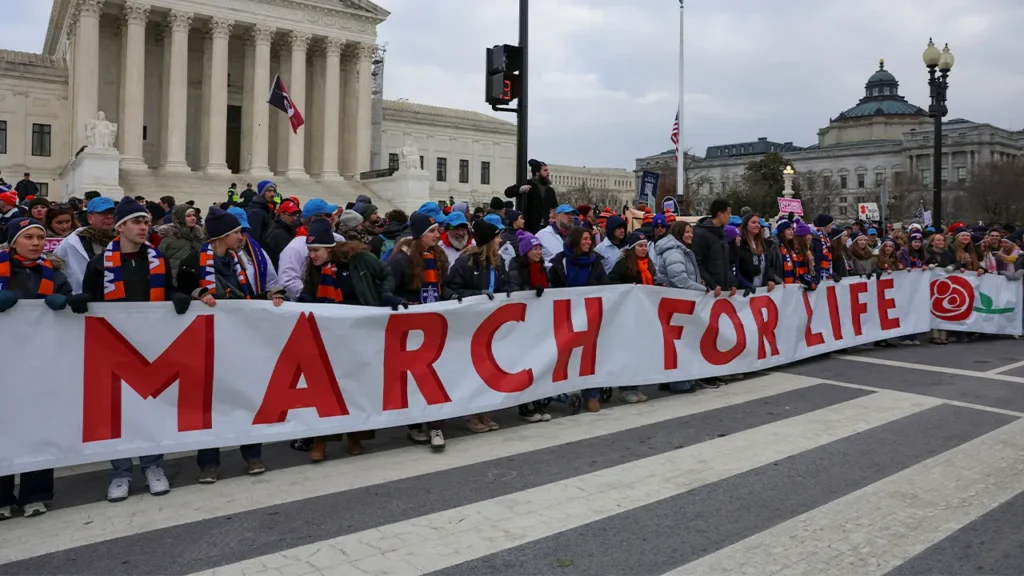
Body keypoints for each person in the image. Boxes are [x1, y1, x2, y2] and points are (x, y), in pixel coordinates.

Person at [81, 197, 191, 502]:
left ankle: (153, 466)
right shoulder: (99, 263)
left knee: (150, 408)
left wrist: (176, 296)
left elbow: (166, 289)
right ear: (120, 227)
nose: (143, 227)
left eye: (145, 222)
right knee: (117, 412)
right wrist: (83, 300)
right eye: (136, 222)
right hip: (113, 347)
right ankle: (121, 472)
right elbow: (91, 295)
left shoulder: (157, 259)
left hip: (150, 346)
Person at [175, 208, 280, 482]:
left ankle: (252, 454)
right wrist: (197, 293)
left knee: (246, 397)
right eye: (236, 232)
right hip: (207, 344)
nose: (241, 236)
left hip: (239, 341)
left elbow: (246, 297)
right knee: (210, 403)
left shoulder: (237, 261)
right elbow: (177, 292)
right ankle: (209, 462)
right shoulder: (193, 261)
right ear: (222, 236)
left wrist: (269, 296)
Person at [0, 217, 84, 519]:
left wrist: (68, 302)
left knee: (39, 425)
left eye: (40, 237)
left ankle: (35, 493)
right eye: (29, 237)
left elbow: (71, 303)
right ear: (14, 242)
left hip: (41, 362)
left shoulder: (55, 274)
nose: (36, 243)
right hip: (5, 363)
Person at [299, 218, 398, 461]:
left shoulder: (359, 259)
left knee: (356, 386)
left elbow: (386, 274)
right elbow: (309, 292)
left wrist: (385, 295)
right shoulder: (315, 267)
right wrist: (295, 301)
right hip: (329, 334)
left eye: (316, 250)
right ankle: (322, 439)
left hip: (360, 331)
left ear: (329, 248)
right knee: (327, 387)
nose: (312, 255)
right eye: (310, 250)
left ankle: (355, 436)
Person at [387, 212, 456, 450]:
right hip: (410, 328)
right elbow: (386, 291)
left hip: (435, 324)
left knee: (437, 375)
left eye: (437, 230)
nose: (438, 235)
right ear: (419, 235)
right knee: (415, 378)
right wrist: (402, 302)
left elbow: (441, 287)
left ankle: (436, 425)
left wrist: (452, 296)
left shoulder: (437, 256)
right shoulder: (400, 260)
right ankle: (415, 424)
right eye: (432, 231)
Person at [447, 220, 508, 433]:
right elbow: (450, 289)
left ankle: (484, 410)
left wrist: (510, 292)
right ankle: (470, 412)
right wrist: (476, 295)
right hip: (470, 324)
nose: (500, 240)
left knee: (490, 367)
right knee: (471, 369)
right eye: (497, 237)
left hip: (492, 323)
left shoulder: (498, 261)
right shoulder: (466, 262)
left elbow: (505, 284)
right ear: (488, 240)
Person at [548, 226, 608, 411]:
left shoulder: (596, 262)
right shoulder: (560, 262)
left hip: (589, 314)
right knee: (566, 354)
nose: (588, 242)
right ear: (575, 241)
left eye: (590, 239)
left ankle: (592, 394)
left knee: (590, 354)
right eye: (584, 239)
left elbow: (605, 286)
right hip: (565, 314)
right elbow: (553, 287)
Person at [505, 230, 552, 422]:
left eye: (540, 248)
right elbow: (514, 292)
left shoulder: (541, 268)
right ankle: (525, 405)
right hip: (523, 322)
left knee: (539, 361)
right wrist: (530, 292)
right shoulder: (517, 268)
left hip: (540, 321)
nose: (538, 252)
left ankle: (538, 400)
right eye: (534, 248)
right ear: (525, 251)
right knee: (525, 363)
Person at [654, 220, 704, 392]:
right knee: (681, 343)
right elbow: (680, 280)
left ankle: (671, 380)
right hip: (678, 302)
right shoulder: (675, 252)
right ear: (679, 233)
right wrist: (703, 289)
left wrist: (697, 282)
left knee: (676, 343)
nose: (691, 235)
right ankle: (680, 383)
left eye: (691, 232)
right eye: (687, 232)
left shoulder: (680, 250)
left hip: (679, 301)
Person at [609, 231, 654, 403]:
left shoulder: (648, 265)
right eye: (640, 246)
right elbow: (610, 281)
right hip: (627, 314)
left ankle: (635, 386)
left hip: (643, 314)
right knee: (627, 351)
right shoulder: (623, 265)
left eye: (645, 246)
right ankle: (625, 388)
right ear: (633, 248)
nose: (644, 249)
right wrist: (628, 287)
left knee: (638, 351)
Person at [278, 199, 341, 300]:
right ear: (314, 219)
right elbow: (288, 282)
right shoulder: (294, 248)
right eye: (328, 215)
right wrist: (317, 295)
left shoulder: (338, 239)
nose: (333, 218)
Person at [51, 196, 117, 293]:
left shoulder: (123, 240)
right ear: (90, 218)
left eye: (112, 213)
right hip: (82, 298)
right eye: (104, 213)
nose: (109, 217)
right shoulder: (70, 244)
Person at [227, 206, 278, 295]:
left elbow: (272, 283)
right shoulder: (218, 256)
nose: (241, 236)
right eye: (236, 231)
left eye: (243, 230)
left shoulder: (259, 252)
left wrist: (274, 295)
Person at [692, 199, 735, 297]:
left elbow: (725, 262)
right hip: (708, 292)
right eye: (728, 213)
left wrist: (732, 283)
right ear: (720, 214)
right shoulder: (701, 234)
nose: (730, 216)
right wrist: (712, 284)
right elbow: (697, 263)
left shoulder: (722, 233)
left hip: (723, 290)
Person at [504, 158, 558, 233]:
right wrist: (520, 189)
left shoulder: (550, 190)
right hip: (530, 227)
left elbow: (554, 207)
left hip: (546, 227)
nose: (548, 173)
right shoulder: (527, 184)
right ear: (537, 173)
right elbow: (508, 192)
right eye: (545, 170)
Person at [157, 204, 204, 280]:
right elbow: (158, 262)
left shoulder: (198, 238)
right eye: (188, 216)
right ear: (180, 218)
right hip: (175, 282)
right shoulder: (168, 239)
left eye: (194, 215)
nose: (193, 218)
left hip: (197, 281)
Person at [736, 214, 780, 292]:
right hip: (744, 289)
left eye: (758, 223)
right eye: (753, 222)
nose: (757, 225)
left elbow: (769, 265)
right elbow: (737, 267)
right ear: (745, 225)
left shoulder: (765, 244)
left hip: (762, 289)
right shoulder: (740, 244)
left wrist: (770, 279)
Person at [263, 199, 301, 268]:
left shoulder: (289, 227)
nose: (295, 218)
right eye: (291, 215)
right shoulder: (278, 234)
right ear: (282, 214)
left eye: (296, 215)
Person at [812, 214, 836, 283]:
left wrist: (831, 273)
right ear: (826, 224)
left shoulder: (826, 238)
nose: (832, 226)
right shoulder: (815, 238)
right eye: (831, 224)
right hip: (818, 275)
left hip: (826, 273)